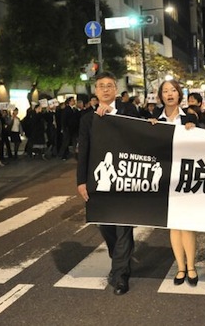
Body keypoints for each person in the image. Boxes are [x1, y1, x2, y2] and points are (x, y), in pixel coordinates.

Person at [77, 71, 139, 296]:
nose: (105, 89)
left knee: (124, 226)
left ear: (116, 89)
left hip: (125, 178)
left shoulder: (128, 111)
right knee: (105, 225)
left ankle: (121, 274)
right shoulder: (87, 119)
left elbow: (139, 134)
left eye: (109, 85)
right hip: (99, 180)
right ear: (95, 91)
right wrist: (81, 181)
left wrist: (112, 114)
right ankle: (121, 257)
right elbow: (83, 150)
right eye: (101, 85)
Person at [149, 80, 200, 287]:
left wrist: (194, 129)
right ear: (160, 97)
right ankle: (180, 267)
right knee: (173, 224)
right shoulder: (153, 120)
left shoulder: (190, 118)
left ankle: (191, 266)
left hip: (185, 177)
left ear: (179, 95)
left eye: (173, 90)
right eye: (165, 91)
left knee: (186, 223)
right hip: (163, 177)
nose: (169, 94)